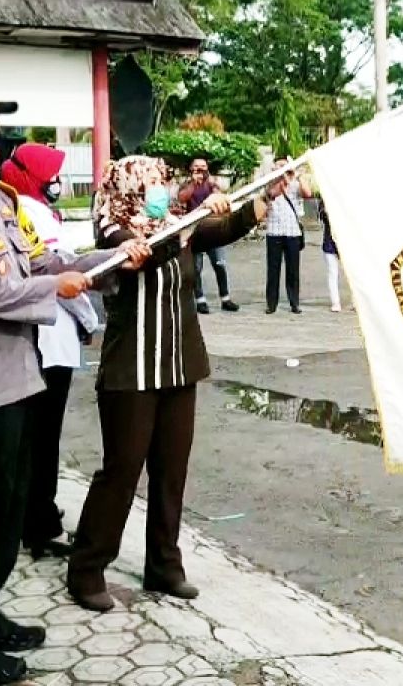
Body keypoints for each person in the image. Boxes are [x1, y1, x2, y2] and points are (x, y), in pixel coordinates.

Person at [0, 81, 148, 685]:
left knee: (6, 510)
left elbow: (37, 261)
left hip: (16, 379)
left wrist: (104, 262)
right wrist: (58, 289)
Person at [67, 156, 275, 613]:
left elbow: (221, 230)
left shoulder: (178, 223)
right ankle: (87, 568)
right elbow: (145, 256)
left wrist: (263, 197)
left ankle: (164, 564)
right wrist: (190, 223)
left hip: (179, 363)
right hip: (133, 368)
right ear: (129, 190)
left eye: (162, 183)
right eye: (152, 185)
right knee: (121, 471)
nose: (161, 191)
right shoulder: (113, 228)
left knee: (171, 470)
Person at [0, 142, 99, 560]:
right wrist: (91, 321)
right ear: (31, 174)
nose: (56, 181)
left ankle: (30, 516)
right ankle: (39, 522)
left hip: (39, 336)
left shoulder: (19, 207)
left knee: (31, 437)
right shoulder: (32, 214)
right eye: (50, 174)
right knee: (43, 438)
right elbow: (62, 273)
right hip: (51, 336)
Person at [176, 158, 238, 314]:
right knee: (196, 267)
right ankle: (200, 300)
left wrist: (212, 183)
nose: (200, 170)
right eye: (196, 167)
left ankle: (225, 298)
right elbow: (182, 197)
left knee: (219, 264)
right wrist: (193, 183)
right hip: (195, 230)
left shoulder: (211, 182)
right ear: (190, 168)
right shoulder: (185, 183)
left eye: (203, 167)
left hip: (213, 228)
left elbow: (222, 195)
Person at [264, 156, 312, 314]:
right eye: (278, 166)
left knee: (293, 270)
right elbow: (270, 193)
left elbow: (307, 193)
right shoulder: (269, 182)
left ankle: (294, 302)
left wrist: (296, 174)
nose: (282, 168)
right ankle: (271, 303)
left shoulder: (296, 183)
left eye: (284, 166)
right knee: (273, 269)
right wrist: (279, 177)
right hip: (274, 231)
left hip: (292, 232)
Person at [317, 196, 341, 312]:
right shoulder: (326, 197)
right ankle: (335, 301)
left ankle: (356, 301)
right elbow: (321, 215)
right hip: (330, 240)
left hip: (346, 242)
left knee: (351, 273)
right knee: (332, 271)